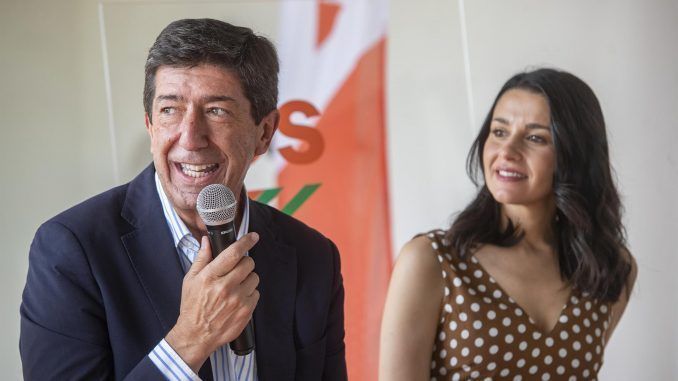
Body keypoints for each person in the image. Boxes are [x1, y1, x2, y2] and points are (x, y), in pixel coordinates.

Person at [20, 18, 346, 381]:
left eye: (216, 110)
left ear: (264, 132)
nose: (190, 138)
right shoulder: (71, 250)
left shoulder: (314, 257)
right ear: (150, 125)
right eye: (170, 110)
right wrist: (189, 341)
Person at [379, 68, 637, 380]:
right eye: (499, 132)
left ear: (575, 154)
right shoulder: (432, 260)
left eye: (535, 137)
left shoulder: (611, 268)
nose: (507, 151)